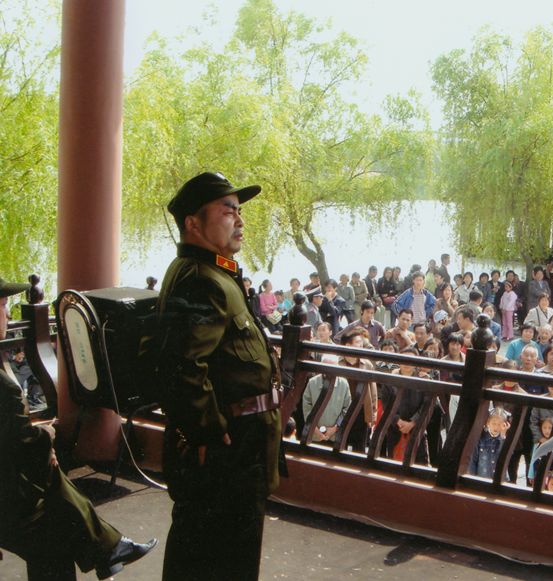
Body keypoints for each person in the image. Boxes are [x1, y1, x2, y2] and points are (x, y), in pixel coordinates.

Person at [149, 172, 282, 580]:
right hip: (228, 448)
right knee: (226, 557)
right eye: (228, 212)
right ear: (193, 223)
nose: (239, 221)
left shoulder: (213, 273)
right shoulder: (202, 280)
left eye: (239, 212)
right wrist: (207, 433)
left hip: (236, 442)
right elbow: (184, 365)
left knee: (203, 550)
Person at [1, 277, 157, 579]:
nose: (7, 314)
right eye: (4, 306)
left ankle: (108, 546)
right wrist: (45, 436)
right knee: (55, 534)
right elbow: (21, 446)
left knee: (49, 480)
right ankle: (107, 545)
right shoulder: (3, 386)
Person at [301, 355, 351, 445]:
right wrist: (313, 427)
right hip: (314, 435)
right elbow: (306, 407)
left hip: (335, 436)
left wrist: (335, 428)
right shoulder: (312, 382)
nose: (329, 371)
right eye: (326, 367)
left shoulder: (344, 384)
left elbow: (347, 408)